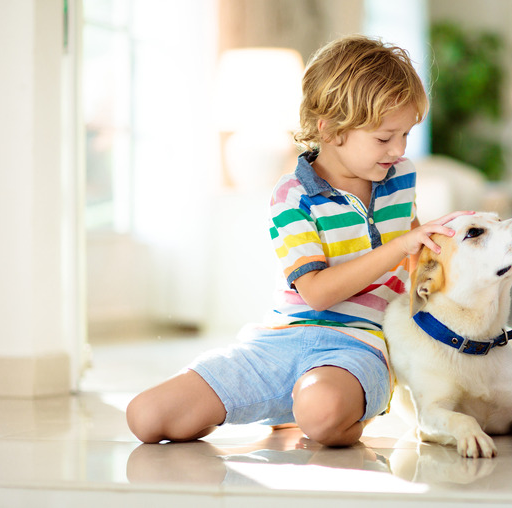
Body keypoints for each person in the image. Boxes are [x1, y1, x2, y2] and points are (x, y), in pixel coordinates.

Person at [126, 34, 471, 447]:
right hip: (278, 340)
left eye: (405, 135)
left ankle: (314, 410)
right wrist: (398, 247)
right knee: (146, 417)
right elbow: (317, 294)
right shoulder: (291, 196)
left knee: (321, 411)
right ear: (330, 129)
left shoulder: (400, 180)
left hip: (358, 346)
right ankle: (274, 405)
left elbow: (419, 268)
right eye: (383, 138)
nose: (398, 150)